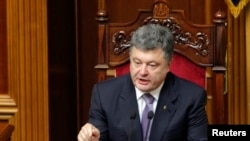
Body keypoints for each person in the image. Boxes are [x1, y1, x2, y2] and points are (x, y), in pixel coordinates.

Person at [77, 23, 208, 141]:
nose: (142, 72)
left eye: (152, 65)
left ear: (168, 65)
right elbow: (98, 137)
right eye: (137, 62)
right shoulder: (104, 95)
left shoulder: (192, 98)